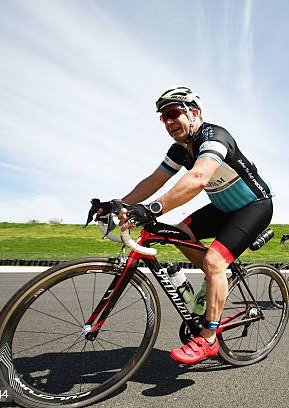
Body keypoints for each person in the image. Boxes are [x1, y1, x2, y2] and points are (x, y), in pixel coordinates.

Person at [99, 86, 273, 364]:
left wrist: (153, 208)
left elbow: (199, 178)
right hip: (222, 208)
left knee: (215, 261)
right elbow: (153, 181)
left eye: (173, 114)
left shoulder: (215, 137)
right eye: (163, 118)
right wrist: (120, 203)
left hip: (254, 206)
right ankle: (215, 284)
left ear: (193, 113)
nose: (168, 122)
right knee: (180, 234)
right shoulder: (180, 150)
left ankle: (208, 338)